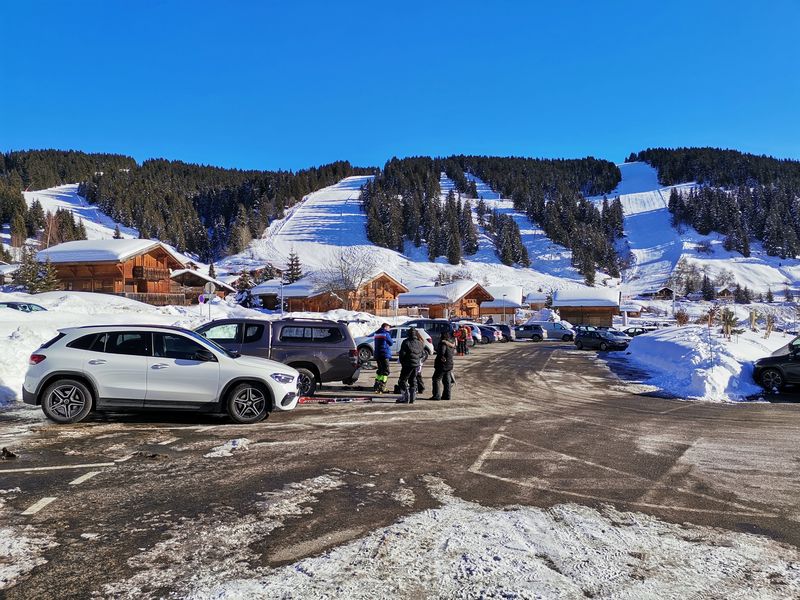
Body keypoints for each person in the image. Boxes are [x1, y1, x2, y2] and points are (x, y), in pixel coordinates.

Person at [396, 328, 426, 404]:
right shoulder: (420, 343)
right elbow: (423, 354)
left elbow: (402, 355)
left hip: (407, 364)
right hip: (416, 365)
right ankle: (412, 398)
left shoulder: (406, 342)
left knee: (402, 381)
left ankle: (406, 397)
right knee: (413, 381)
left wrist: (403, 363)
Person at [431, 329, 455, 400]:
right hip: (449, 364)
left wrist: (441, 357)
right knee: (447, 380)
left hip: (442, 365)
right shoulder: (451, 343)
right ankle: (447, 396)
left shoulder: (443, 343)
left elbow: (441, 353)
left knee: (436, 379)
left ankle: (436, 396)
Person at [372, 323, 393, 393]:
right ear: (385, 327)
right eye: (389, 327)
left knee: (380, 371)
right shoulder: (386, 334)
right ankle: (382, 387)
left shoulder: (376, 333)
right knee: (386, 371)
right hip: (384, 354)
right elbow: (391, 343)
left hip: (377, 354)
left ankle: (376, 386)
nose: (389, 329)